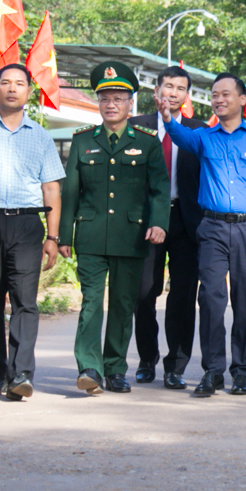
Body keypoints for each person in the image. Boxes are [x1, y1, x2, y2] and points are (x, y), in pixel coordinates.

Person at [161, 72, 246, 397]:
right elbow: (177, 134)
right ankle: (213, 371)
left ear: (243, 99)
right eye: (214, 95)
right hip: (213, 228)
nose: (218, 100)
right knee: (211, 300)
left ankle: (242, 372)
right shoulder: (204, 137)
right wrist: (167, 117)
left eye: (225, 94)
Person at [60, 62, 169, 395]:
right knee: (92, 301)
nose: (111, 104)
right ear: (98, 102)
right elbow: (71, 192)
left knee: (123, 304)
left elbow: (159, 188)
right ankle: (89, 367)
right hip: (91, 235)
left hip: (131, 234)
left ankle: (115, 369)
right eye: (105, 97)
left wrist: (158, 223)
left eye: (119, 98)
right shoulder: (82, 141)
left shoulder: (147, 142)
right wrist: (64, 235)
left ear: (130, 104)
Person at [0, 63, 65, 401]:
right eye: (5, 82)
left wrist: (53, 237)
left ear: (29, 92)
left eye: (19, 83)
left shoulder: (41, 136)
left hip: (26, 225)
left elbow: (51, 189)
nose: (12, 88)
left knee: (25, 301)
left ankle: (20, 374)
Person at [132, 65, 208, 389]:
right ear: (156, 91)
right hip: (147, 222)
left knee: (182, 296)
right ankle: (147, 358)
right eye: (168, 86)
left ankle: (175, 365)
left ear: (186, 95)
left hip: (186, 222)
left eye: (180, 88)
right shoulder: (137, 127)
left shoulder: (199, 130)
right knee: (144, 292)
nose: (173, 93)